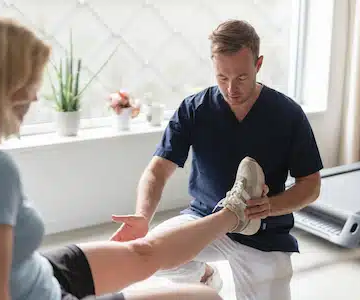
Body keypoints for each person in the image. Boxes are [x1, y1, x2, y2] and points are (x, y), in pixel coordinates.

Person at [0, 16, 270, 300]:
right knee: (205, 297)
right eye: (28, 81)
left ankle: (234, 211)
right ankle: (236, 212)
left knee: (144, 251)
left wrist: (143, 214)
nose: (34, 95)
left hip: (34, 270)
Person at [111, 19, 323, 300]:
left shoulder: (288, 114)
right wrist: (142, 215)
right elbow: (158, 171)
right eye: (222, 77)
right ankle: (204, 276)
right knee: (145, 254)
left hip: (263, 230)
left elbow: (310, 185)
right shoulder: (194, 108)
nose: (231, 88)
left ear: (258, 65)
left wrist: (270, 206)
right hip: (203, 219)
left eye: (242, 78)